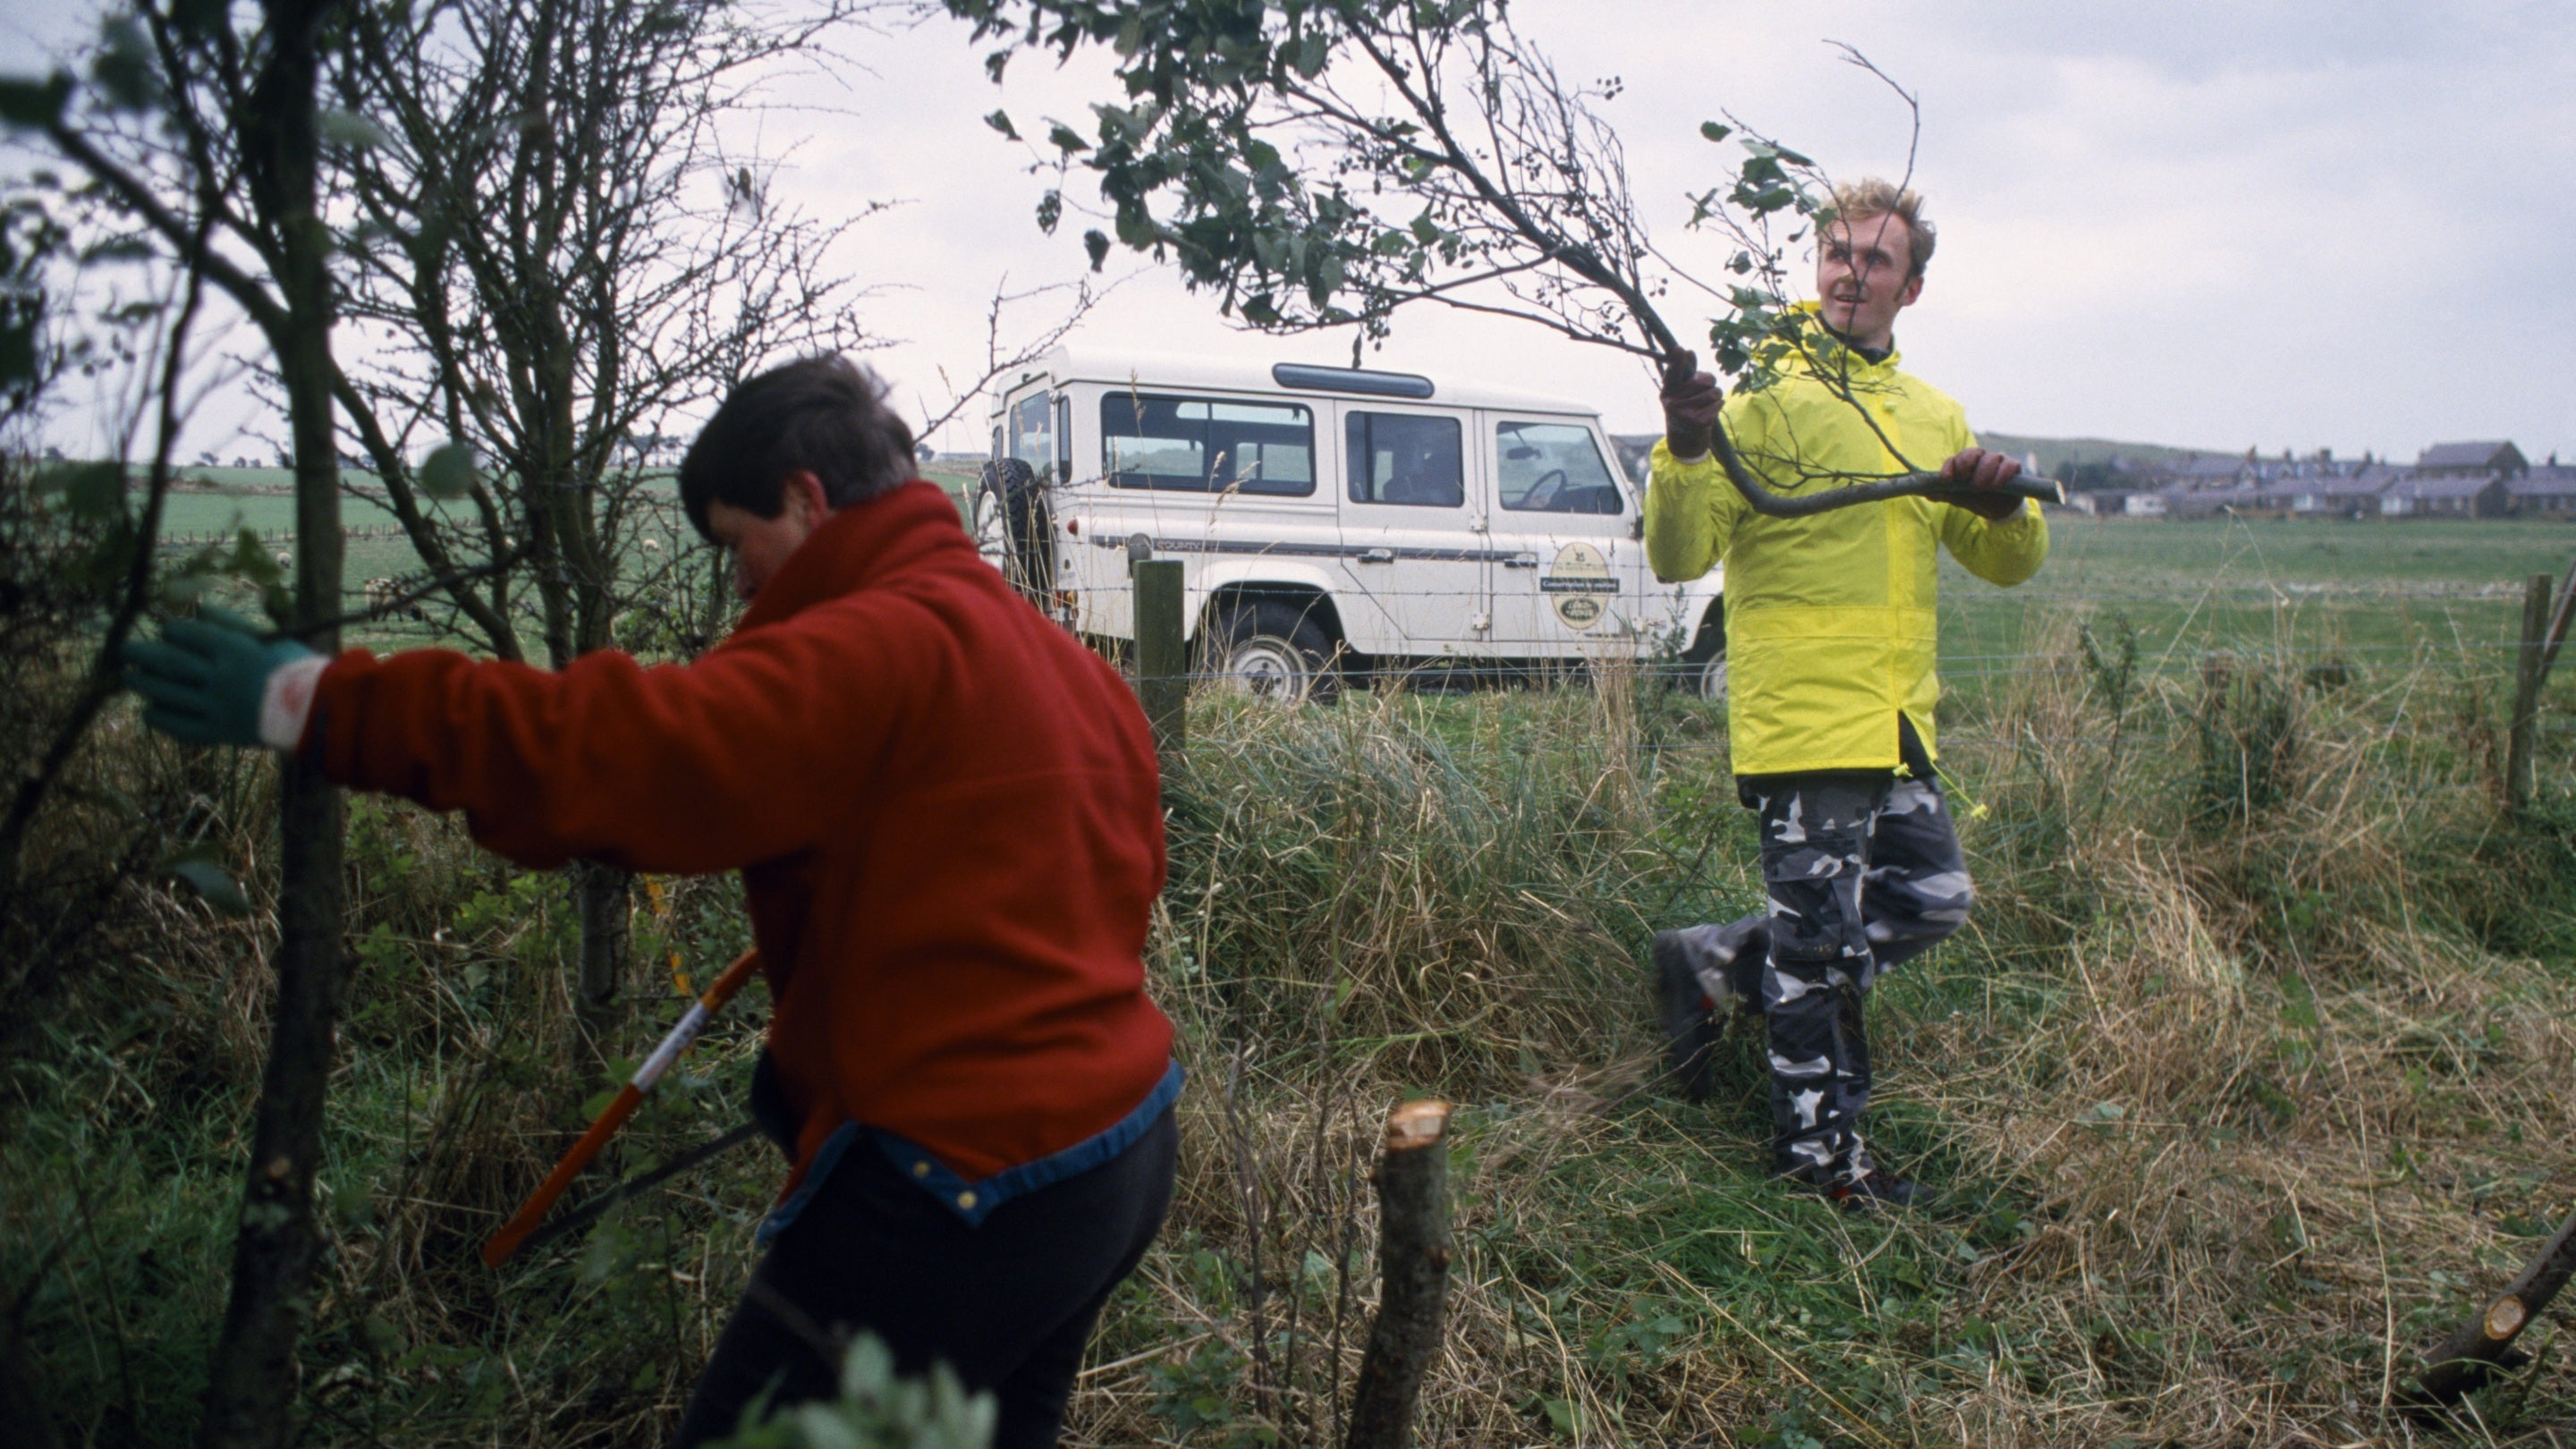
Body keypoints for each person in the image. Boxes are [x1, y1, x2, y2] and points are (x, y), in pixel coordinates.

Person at [123, 356, 1181, 1446]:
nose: (739, 587)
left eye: (737, 545)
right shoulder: (1059, 661)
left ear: (808, 502)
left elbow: (622, 755)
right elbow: (1106, 881)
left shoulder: (875, 645)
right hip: (1116, 1155)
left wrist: (320, 702)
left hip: (961, 1183)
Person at [1644, 180, 2047, 1208]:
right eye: (1835, 252)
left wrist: (2002, 507)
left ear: (1910, 289)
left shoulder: (1929, 414)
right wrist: (1688, 448)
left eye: (1875, 260)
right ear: (1815, 265)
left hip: (1898, 723)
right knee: (1821, 956)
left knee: (1932, 899)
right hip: (1804, 727)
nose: (1849, 272)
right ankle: (1818, 1166)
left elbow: (2004, 563)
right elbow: (1679, 552)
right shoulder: (1758, 402)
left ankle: (1717, 957)